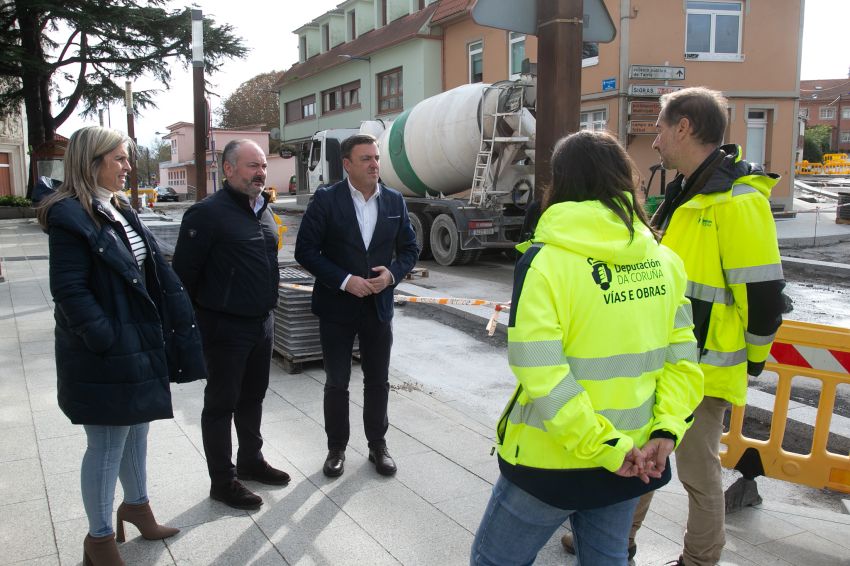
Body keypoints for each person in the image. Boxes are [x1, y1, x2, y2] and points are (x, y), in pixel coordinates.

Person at [469, 130, 704, 566]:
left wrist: (602, 446)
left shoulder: (545, 261)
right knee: (608, 559)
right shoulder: (664, 260)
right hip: (633, 458)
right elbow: (683, 360)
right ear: (624, 178)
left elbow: (539, 368)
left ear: (560, 183)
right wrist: (665, 432)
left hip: (553, 464)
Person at [38, 126, 206, 566]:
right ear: (92, 161)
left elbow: (148, 271)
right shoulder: (69, 215)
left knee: (138, 430)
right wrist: (106, 339)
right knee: (107, 444)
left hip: (137, 342)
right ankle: (98, 540)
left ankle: (137, 507)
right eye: (120, 159)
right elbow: (70, 291)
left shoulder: (116, 206)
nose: (128, 167)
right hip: (107, 351)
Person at [172, 139, 289, 511]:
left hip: (262, 322)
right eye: (252, 166)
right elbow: (183, 277)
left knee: (253, 397)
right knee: (221, 404)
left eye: (263, 167)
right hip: (224, 327)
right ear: (228, 169)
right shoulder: (206, 214)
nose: (260, 173)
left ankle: (251, 461)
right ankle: (223, 481)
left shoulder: (264, 210)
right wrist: (195, 327)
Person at [294, 134, 418, 478]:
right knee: (337, 380)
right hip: (337, 307)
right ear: (347, 164)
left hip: (378, 307)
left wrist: (390, 276)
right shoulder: (326, 200)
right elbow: (306, 250)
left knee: (378, 380)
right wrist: (346, 280)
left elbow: (410, 249)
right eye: (366, 158)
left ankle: (378, 445)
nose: (374, 164)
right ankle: (336, 448)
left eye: (376, 157)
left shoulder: (394, 201)